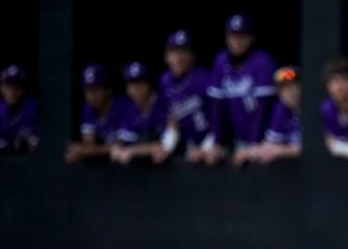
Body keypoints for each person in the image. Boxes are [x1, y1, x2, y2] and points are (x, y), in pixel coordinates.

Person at [203, 14, 276, 167]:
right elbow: (217, 107)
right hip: (235, 140)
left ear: (251, 38)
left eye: (243, 36)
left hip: (263, 140)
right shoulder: (221, 60)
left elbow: (263, 108)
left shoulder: (262, 61)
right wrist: (217, 142)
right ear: (227, 37)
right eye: (233, 35)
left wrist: (253, 144)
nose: (237, 41)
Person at [159, 30, 212, 163]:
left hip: (215, 143)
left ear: (193, 56)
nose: (179, 57)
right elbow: (172, 120)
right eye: (174, 52)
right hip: (191, 147)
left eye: (184, 51)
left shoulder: (204, 78)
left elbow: (221, 117)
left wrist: (208, 147)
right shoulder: (165, 81)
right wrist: (166, 147)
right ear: (166, 56)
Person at [110, 61, 172, 165]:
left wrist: (132, 151)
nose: (136, 89)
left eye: (140, 83)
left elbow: (165, 145)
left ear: (149, 85)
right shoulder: (131, 109)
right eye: (132, 84)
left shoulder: (163, 103)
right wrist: (117, 149)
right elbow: (121, 141)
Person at [66, 64, 130, 163]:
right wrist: (85, 151)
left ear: (108, 90)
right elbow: (89, 145)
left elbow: (121, 146)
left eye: (96, 89)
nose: (91, 95)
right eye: (88, 90)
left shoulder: (123, 106)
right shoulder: (88, 110)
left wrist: (85, 151)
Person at [250, 66, 301, 164]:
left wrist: (281, 151)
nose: (290, 92)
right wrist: (250, 152)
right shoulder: (282, 108)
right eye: (284, 88)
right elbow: (271, 143)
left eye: (294, 86)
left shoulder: (312, 109)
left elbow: (312, 148)